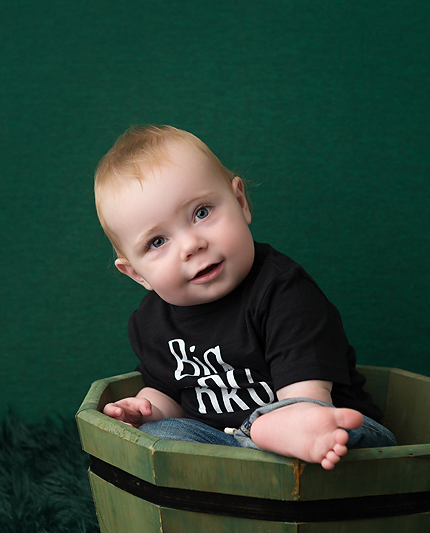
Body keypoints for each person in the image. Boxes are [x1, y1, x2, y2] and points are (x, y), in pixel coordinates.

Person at [94, 125, 396, 470]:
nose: (192, 245)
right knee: (162, 433)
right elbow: (171, 394)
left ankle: (278, 428)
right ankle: (259, 437)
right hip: (221, 445)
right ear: (136, 274)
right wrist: (144, 408)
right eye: (157, 242)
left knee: (345, 433)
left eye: (202, 212)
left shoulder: (283, 292)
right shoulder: (151, 323)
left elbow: (309, 394)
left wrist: (294, 419)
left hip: (325, 434)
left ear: (241, 203)